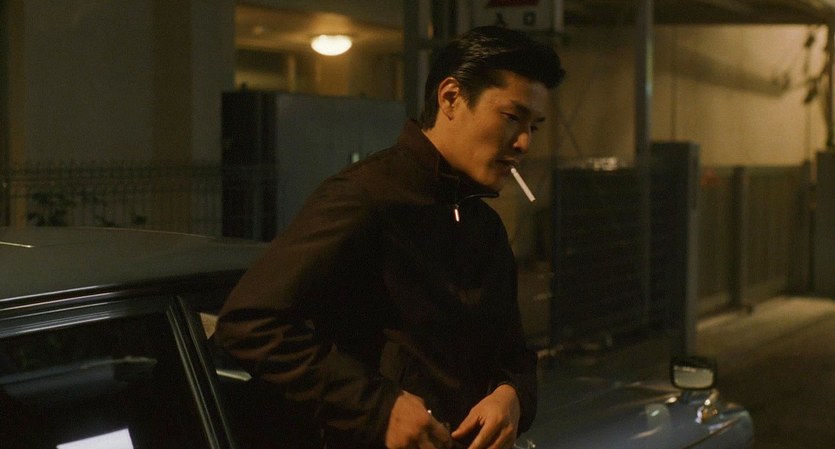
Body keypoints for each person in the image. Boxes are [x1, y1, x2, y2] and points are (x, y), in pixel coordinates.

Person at [215, 25, 565, 449]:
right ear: (450, 98)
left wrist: (513, 397)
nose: (524, 142)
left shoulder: (484, 226)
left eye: (534, 127)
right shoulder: (366, 196)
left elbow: (514, 354)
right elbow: (249, 323)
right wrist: (379, 407)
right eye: (512, 117)